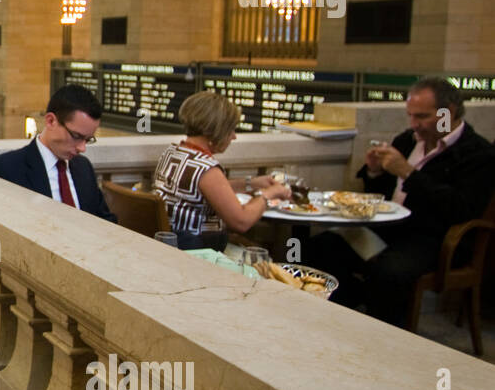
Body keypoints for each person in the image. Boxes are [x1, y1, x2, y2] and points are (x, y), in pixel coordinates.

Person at [304, 76, 495, 329]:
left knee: (389, 273)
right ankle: (346, 314)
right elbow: (382, 195)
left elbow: (459, 208)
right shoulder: (407, 140)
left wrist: (408, 173)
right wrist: (374, 172)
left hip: (430, 238)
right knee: (315, 248)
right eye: (411, 116)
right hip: (387, 229)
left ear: (447, 113)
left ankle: (383, 336)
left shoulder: (477, 153)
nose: (414, 125)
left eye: (422, 117)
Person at [153, 92, 291, 250]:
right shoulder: (207, 169)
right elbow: (241, 222)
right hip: (198, 252)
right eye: (230, 130)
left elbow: (208, 189)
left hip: (172, 244)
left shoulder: (174, 152)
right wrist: (269, 194)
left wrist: (251, 183)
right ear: (216, 130)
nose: (234, 137)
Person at [0, 85, 119, 223]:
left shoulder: (84, 167)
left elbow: (106, 222)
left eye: (88, 139)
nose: (82, 148)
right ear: (51, 121)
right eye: (76, 136)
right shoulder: (5, 168)